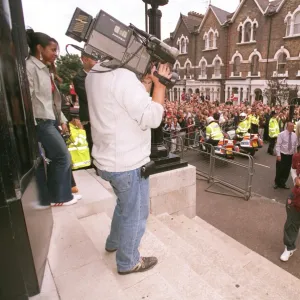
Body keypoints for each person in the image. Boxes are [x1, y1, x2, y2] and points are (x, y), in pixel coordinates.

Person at [85, 62, 171, 275]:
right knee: (136, 213)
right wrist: (160, 86)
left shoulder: (94, 73)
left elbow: (124, 102)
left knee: (124, 205)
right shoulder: (122, 76)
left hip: (108, 159)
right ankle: (128, 261)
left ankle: (113, 242)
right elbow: (152, 117)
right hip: (127, 163)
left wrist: (145, 83)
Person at [26, 29, 80, 206]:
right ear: (39, 48)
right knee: (62, 157)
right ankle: (60, 197)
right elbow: (28, 98)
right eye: (52, 49)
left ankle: (59, 195)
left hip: (49, 121)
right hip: (40, 123)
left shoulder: (45, 70)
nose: (56, 54)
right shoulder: (29, 68)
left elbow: (52, 102)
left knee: (61, 158)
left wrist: (62, 120)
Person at [73, 53, 97, 156]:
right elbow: (88, 97)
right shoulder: (79, 78)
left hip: (100, 116)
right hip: (89, 117)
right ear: (84, 59)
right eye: (93, 58)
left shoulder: (99, 75)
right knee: (93, 145)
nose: (97, 60)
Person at [280, 172, 300, 262]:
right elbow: (294, 168)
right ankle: (289, 247)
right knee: (291, 223)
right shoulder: (297, 157)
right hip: (296, 198)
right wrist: (295, 178)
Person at [274, 122, 297, 189]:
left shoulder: (294, 135)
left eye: (293, 126)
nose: (292, 128)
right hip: (282, 154)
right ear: (287, 127)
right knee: (280, 169)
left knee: (287, 170)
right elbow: (278, 145)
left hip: (290, 156)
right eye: (291, 126)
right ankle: (277, 183)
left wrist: (295, 156)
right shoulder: (281, 134)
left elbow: (295, 146)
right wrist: (278, 155)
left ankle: (283, 183)